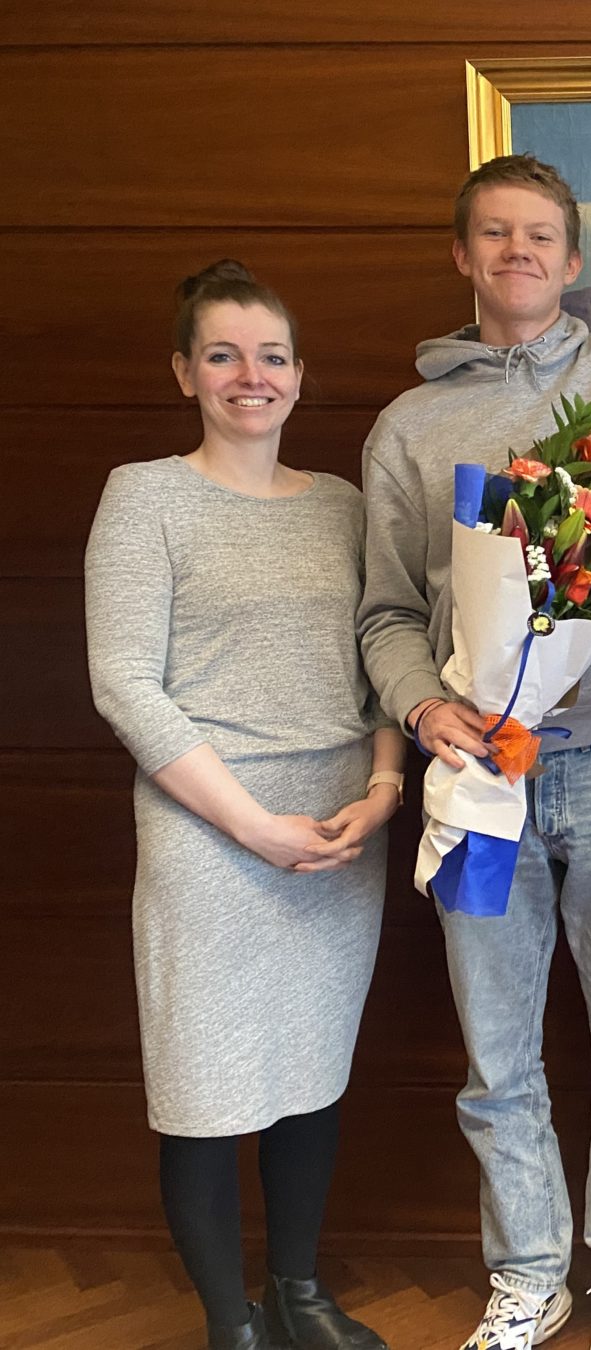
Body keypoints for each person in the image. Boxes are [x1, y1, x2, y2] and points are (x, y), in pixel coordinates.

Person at [356, 154, 591, 1350]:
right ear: (463, 255)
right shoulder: (408, 427)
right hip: (476, 775)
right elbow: (386, 612)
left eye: (540, 235)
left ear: (573, 257)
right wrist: (421, 711)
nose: (518, 254)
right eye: (495, 235)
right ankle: (527, 1274)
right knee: (495, 1055)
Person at [86, 261, 402, 1350]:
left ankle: (299, 1296)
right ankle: (235, 1323)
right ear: (185, 372)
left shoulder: (344, 507)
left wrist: (384, 789)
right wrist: (250, 825)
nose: (249, 376)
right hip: (209, 834)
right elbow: (124, 683)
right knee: (204, 1086)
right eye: (222, 355)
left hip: (337, 832)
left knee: (311, 1072)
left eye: (270, 356)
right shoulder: (145, 498)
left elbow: (383, 658)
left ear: (300, 375)